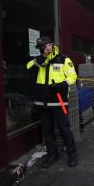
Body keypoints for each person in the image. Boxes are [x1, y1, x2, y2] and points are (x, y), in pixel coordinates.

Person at [27, 37, 78, 168]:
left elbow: (73, 76)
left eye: (46, 45)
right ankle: (52, 155)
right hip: (42, 103)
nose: (45, 48)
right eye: (42, 47)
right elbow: (28, 67)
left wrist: (62, 85)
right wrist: (42, 58)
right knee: (47, 131)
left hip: (58, 102)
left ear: (52, 45)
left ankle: (72, 155)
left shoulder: (63, 59)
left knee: (64, 129)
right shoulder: (40, 60)